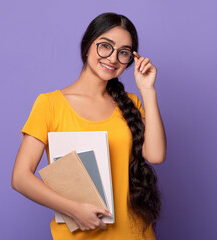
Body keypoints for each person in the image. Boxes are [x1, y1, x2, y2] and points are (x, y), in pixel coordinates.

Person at [11, 12, 166, 239]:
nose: (113, 58)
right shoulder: (50, 104)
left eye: (123, 53)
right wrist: (73, 209)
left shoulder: (131, 103)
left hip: (134, 233)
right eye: (105, 46)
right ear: (87, 45)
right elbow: (20, 177)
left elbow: (155, 155)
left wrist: (148, 91)